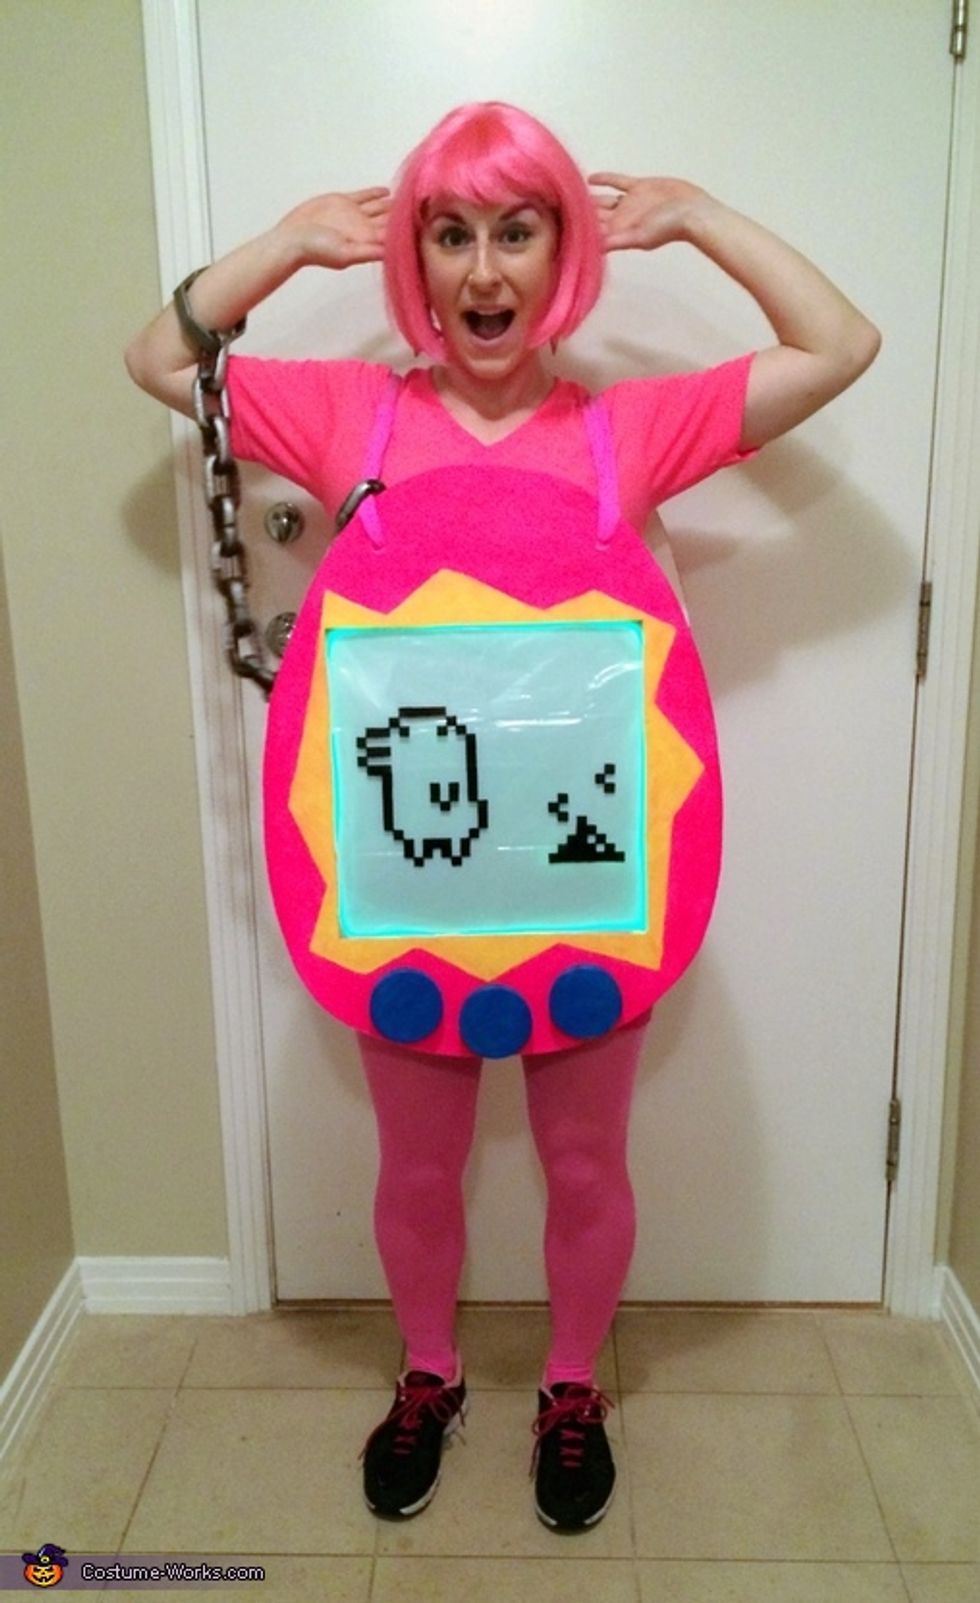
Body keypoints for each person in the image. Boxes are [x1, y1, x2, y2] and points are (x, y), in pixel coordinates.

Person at [125, 101, 880, 1533]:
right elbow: (161, 360)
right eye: (452, 234)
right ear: (414, 259)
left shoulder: (624, 432)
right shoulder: (350, 417)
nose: (484, 270)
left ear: (561, 253)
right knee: (417, 1163)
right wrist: (287, 244)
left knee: (587, 1161)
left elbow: (841, 345)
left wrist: (699, 216)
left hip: (585, 879)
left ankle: (572, 1389)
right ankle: (430, 1375)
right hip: (406, 883)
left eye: (517, 232)